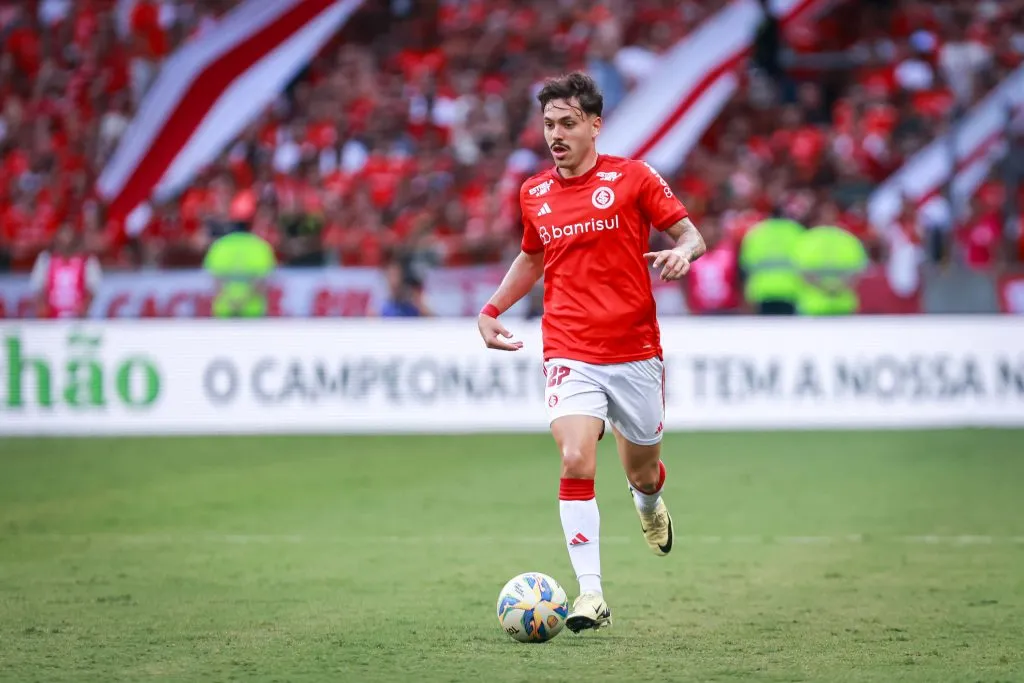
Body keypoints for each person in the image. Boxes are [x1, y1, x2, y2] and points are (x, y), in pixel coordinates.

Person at [476, 72, 706, 633]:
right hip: (569, 348)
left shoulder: (633, 178)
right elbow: (533, 257)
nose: (555, 135)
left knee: (643, 471)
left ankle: (648, 503)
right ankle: (591, 594)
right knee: (576, 457)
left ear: (595, 125)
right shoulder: (534, 193)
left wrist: (683, 253)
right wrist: (492, 309)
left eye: (568, 123)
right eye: (548, 124)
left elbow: (691, 235)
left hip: (635, 351)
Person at [30, 223, 102, 319]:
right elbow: (37, 287)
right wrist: (41, 306)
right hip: (50, 317)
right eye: (62, 234)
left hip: (78, 316)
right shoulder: (45, 259)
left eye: (68, 235)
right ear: (56, 238)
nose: (65, 239)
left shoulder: (88, 260)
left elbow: (93, 288)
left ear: (76, 238)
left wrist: (85, 306)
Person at [203, 230, 277, 318]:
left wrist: (232, 302)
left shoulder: (219, 246)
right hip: (252, 310)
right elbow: (261, 282)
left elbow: (216, 281)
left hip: (225, 308)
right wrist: (244, 301)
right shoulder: (260, 246)